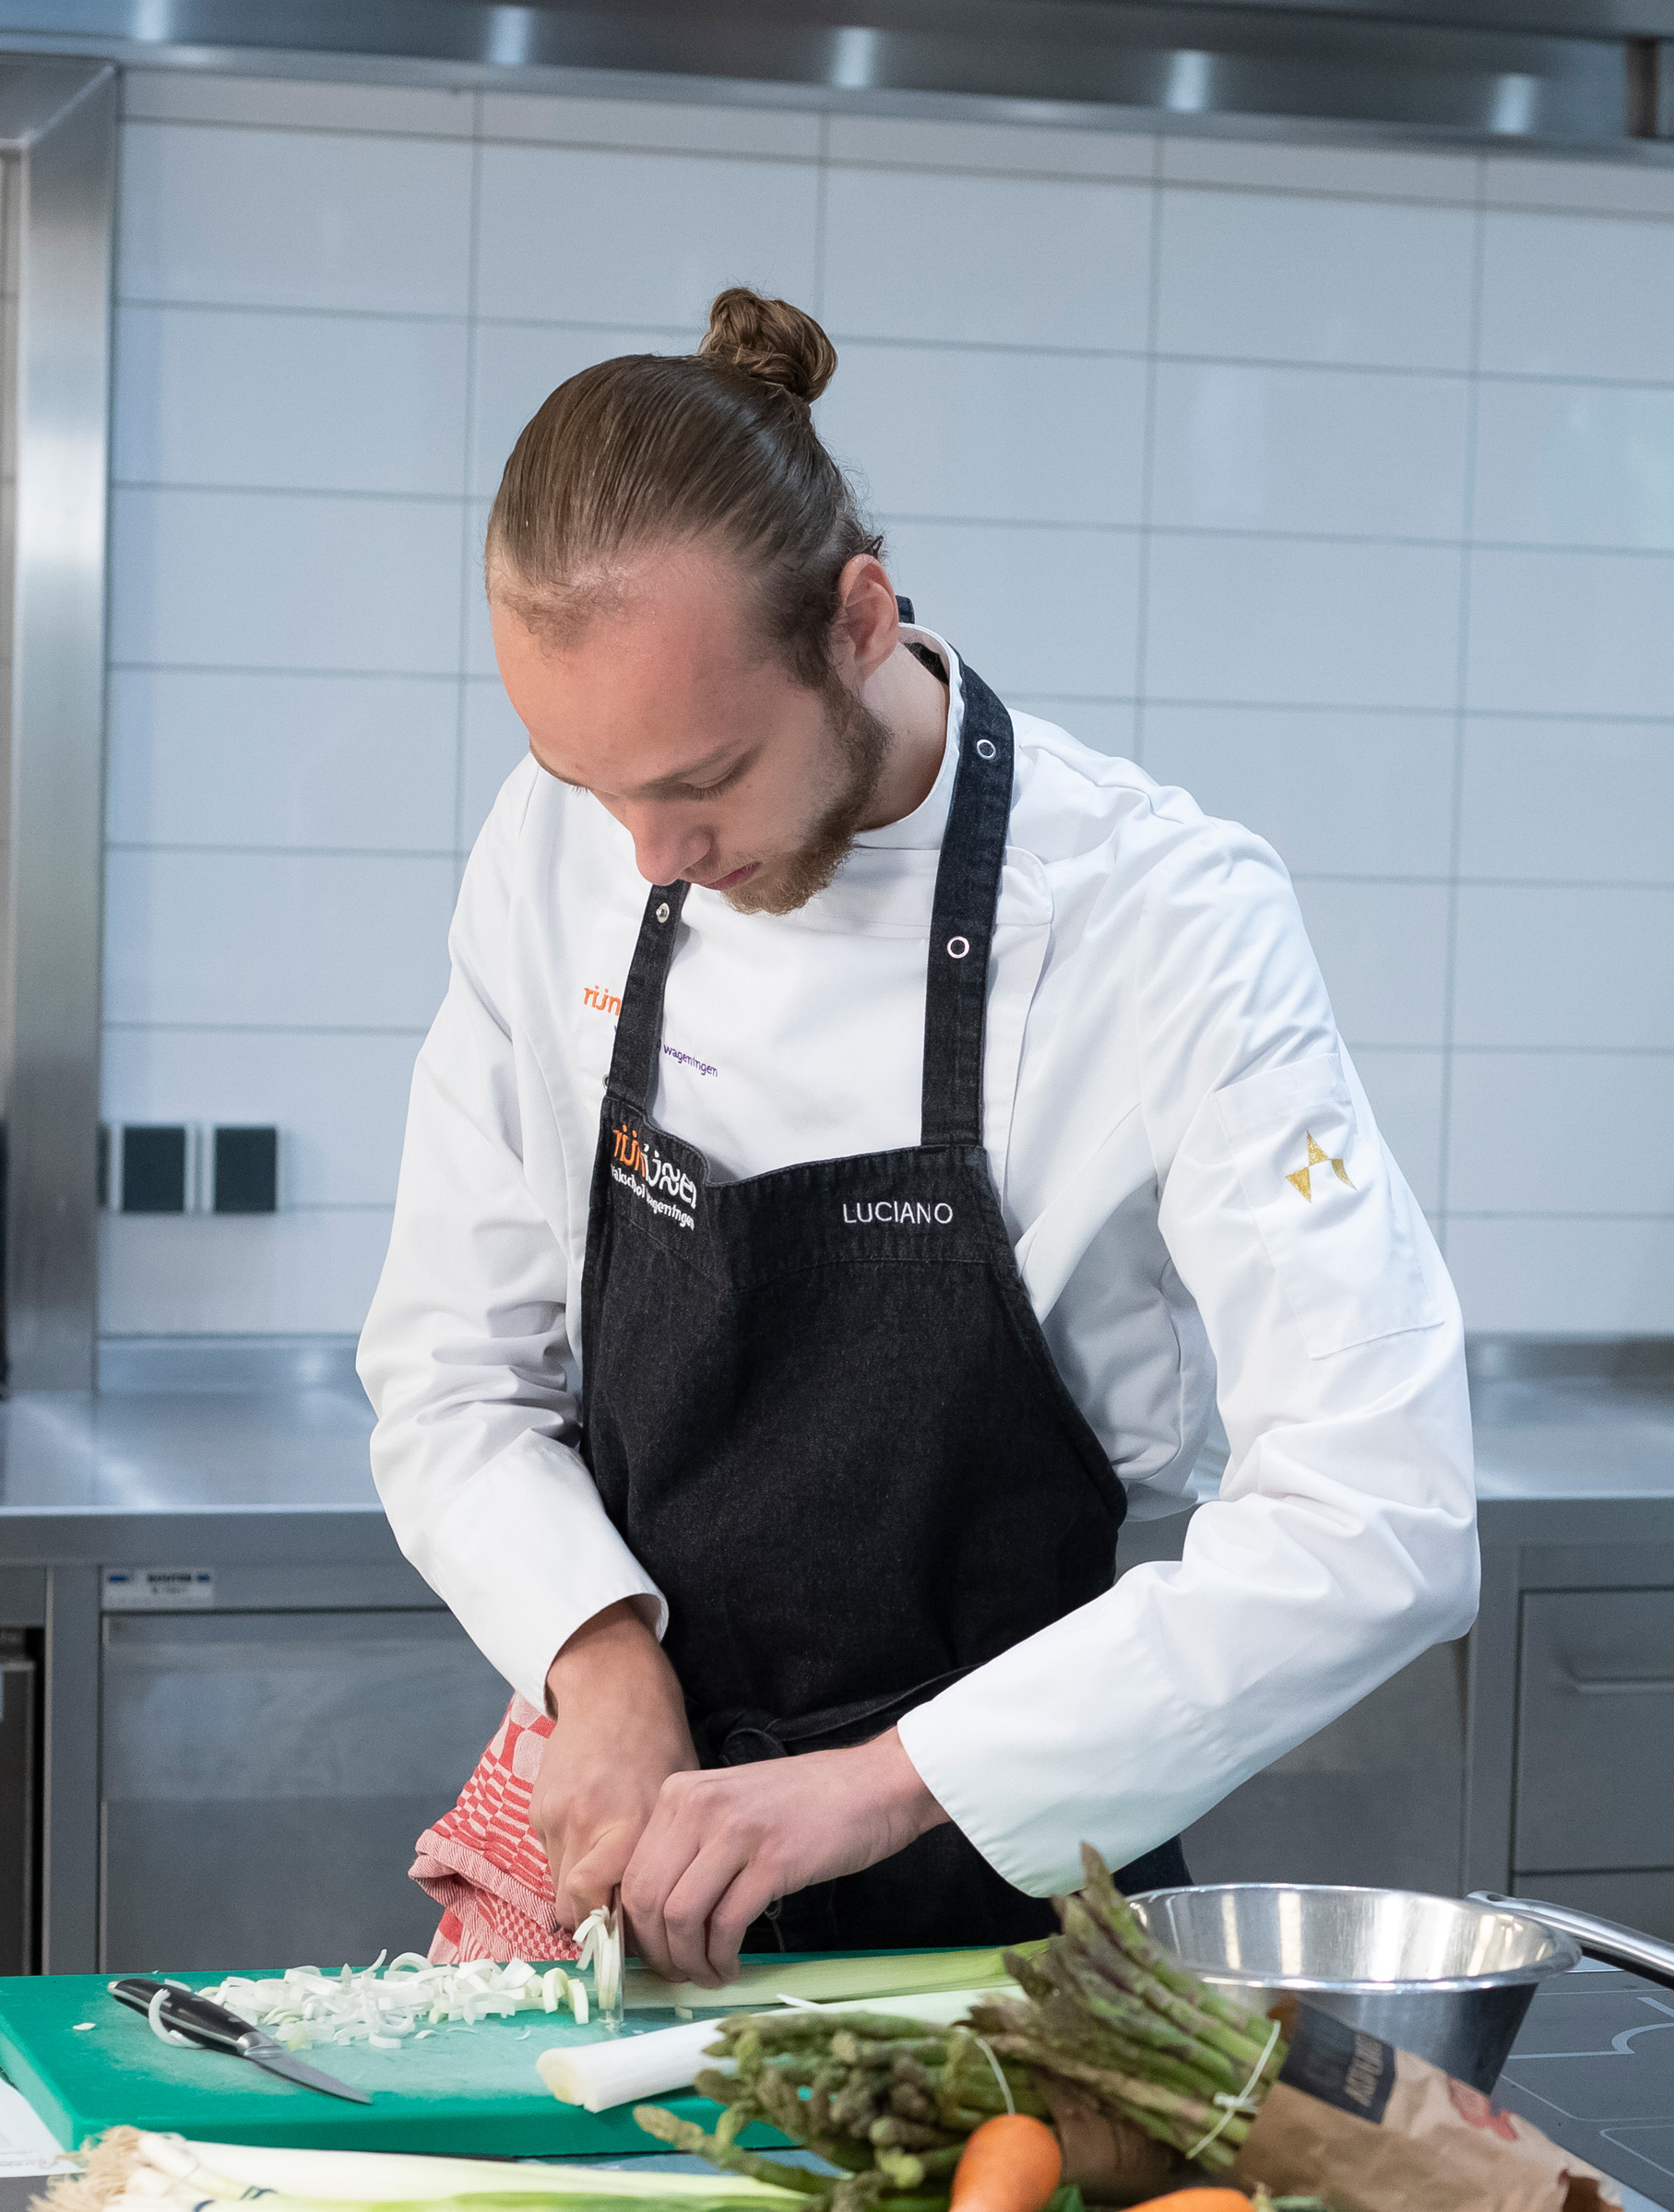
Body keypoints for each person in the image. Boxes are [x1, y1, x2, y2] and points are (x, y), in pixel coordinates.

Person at [362, 288, 1475, 1981]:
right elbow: (451, 1373)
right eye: (597, 789)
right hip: (638, 1894)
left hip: (1009, 1920)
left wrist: (883, 1786)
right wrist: (602, 1657)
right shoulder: (561, 846)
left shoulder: (1162, 917)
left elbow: (1382, 1516)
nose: (652, 855)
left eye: (706, 779)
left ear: (858, 620)